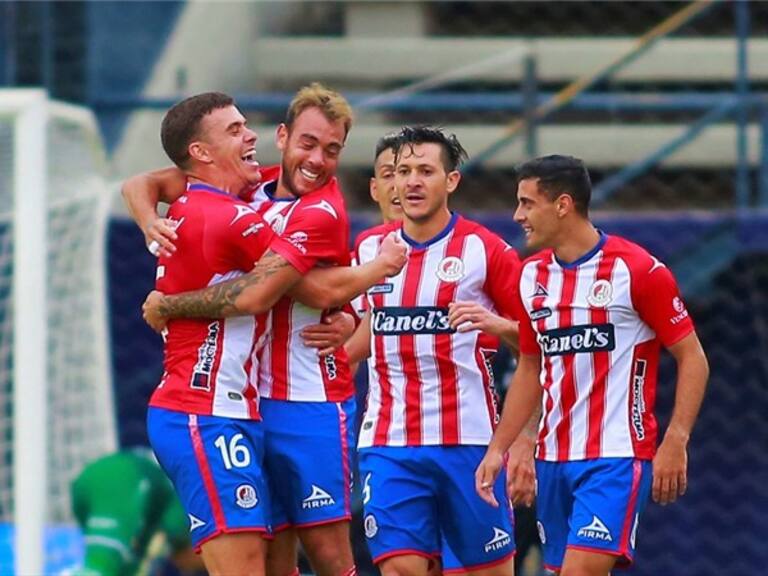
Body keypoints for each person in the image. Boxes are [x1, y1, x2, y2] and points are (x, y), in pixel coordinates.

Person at [126, 84, 406, 576]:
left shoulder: (320, 211)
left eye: (333, 150)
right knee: (268, 559)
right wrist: (151, 222)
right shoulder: (246, 187)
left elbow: (305, 292)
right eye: (308, 143)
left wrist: (373, 273)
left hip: (306, 401)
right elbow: (139, 183)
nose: (317, 160)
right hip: (237, 405)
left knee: (328, 557)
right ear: (283, 136)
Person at [474, 155, 709, 576]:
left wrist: (676, 439)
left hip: (614, 457)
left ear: (562, 205)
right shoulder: (530, 277)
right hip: (553, 459)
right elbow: (531, 366)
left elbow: (692, 357)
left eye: (528, 203)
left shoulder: (636, 270)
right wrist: (503, 447)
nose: (518, 215)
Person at [346, 126, 528, 576]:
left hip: (469, 441)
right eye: (403, 171)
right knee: (402, 567)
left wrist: (524, 439)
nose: (411, 181)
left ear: (451, 181)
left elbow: (541, 342)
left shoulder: (485, 250)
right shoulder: (369, 249)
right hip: (389, 443)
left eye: (425, 171)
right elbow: (357, 331)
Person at [71, 449, 205, 576]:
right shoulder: (182, 521)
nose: (187, 571)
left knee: (120, 565)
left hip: (91, 482)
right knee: (102, 563)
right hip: (125, 477)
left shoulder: (152, 530)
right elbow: (176, 527)